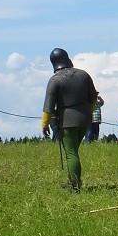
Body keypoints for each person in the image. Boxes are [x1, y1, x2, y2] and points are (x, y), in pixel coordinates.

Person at [41, 47, 98, 193]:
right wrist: (88, 115)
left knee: (71, 154)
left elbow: (48, 106)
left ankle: (75, 186)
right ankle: (72, 181)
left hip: (67, 121)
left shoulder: (55, 79)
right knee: (74, 152)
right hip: (85, 119)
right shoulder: (84, 75)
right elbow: (92, 98)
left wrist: (44, 125)